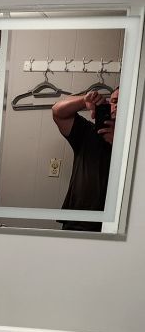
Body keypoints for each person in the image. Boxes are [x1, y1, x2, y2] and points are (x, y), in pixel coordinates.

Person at [51, 87, 118, 231]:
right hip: (77, 222)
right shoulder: (88, 132)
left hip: (118, 226)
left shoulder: (137, 146)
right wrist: (84, 101)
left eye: (124, 103)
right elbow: (58, 112)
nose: (118, 106)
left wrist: (121, 143)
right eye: (114, 101)